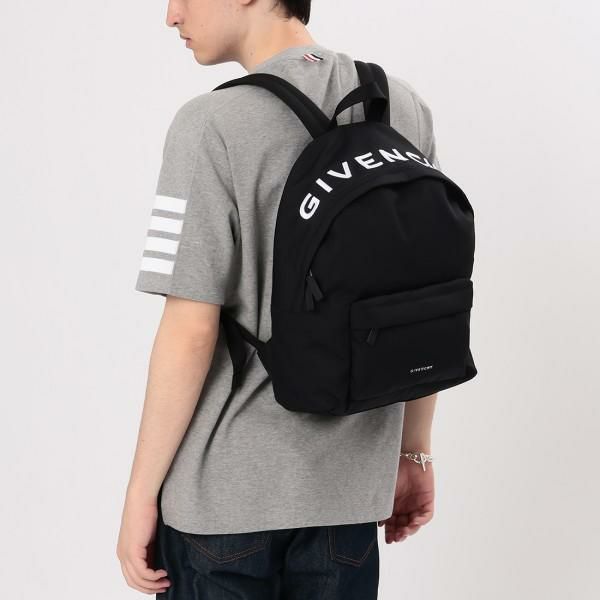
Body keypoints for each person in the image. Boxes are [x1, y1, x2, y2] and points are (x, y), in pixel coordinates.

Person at [116, 0, 439, 598]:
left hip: (222, 506)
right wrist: (414, 452)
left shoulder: (211, 124)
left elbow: (190, 330)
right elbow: (422, 305)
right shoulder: (402, 106)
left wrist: (140, 494)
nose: (172, 15)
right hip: (348, 504)